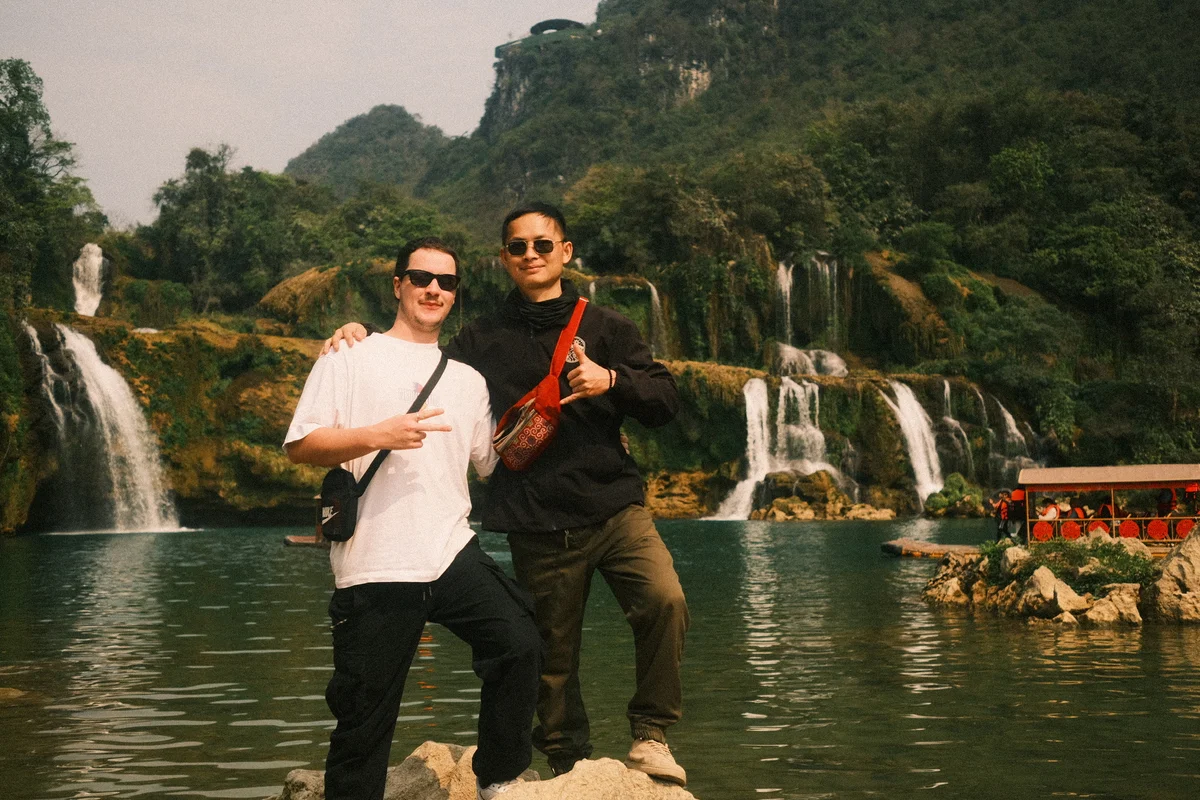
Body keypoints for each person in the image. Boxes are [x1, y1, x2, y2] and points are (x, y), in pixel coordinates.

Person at [323, 202, 690, 786]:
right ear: (504, 259)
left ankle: (650, 733)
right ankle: (570, 766)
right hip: (536, 518)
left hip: (615, 508)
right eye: (518, 247)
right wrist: (359, 334)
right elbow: (419, 357)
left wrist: (612, 381)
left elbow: (666, 401)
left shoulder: (608, 327)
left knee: (665, 601)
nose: (531, 255)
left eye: (543, 244)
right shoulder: (483, 338)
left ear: (565, 252)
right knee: (547, 658)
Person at [286, 237, 542, 800]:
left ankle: (497, 776)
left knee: (519, 643)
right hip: (376, 562)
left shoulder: (467, 379)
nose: (434, 289)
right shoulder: (348, 355)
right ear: (397, 284)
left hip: (450, 552)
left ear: (455, 295)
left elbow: (492, 462)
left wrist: (546, 424)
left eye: (446, 282)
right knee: (365, 717)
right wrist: (377, 434)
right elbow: (301, 444)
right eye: (422, 277)